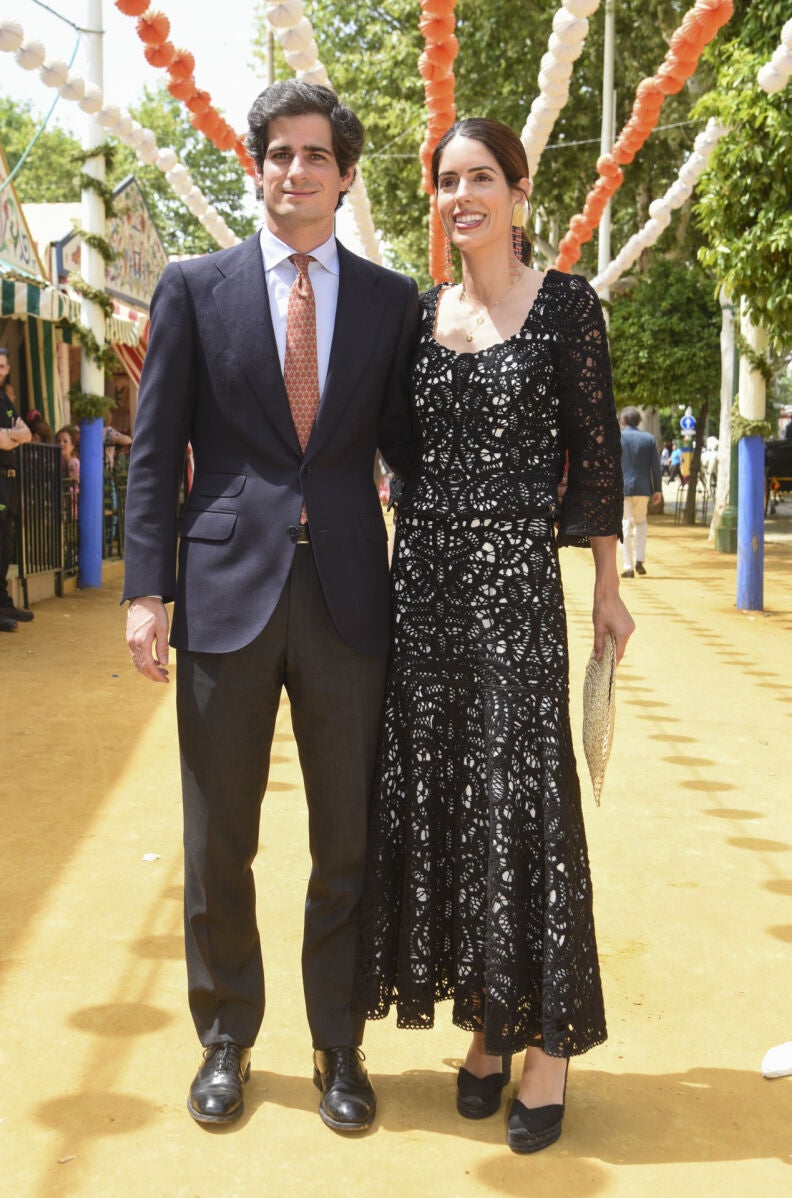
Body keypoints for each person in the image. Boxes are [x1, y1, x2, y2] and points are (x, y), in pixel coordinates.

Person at [123, 80, 418, 1133]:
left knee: (347, 837)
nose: (293, 170)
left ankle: (337, 1042)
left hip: (348, 598)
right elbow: (155, 451)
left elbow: (407, 449)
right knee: (219, 839)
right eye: (277, 153)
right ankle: (224, 1037)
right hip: (219, 594)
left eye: (313, 156)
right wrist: (146, 590)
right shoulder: (194, 289)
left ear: (343, 176)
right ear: (257, 166)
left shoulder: (391, 303)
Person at [353, 118, 634, 1155]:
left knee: (521, 798)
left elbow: (595, 461)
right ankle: (485, 1025)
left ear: (518, 192)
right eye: (444, 180)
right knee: (451, 797)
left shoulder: (565, 308)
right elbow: (384, 439)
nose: (459, 194)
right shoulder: (419, 316)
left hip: (516, 588)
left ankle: (546, 1043)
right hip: (422, 587)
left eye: (479, 177)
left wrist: (606, 586)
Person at [0, 346, 34, 631]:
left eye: (2, 366)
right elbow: (0, 442)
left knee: (6, 544)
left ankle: (1, 599)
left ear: (8, 369)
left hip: (9, 481)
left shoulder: (5, 399)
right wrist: (12, 435)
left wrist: (14, 435)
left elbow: (27, 433)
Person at [618, 406, 662, 578]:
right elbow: (656, 468)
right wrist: (657, 489)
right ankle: (640, 560)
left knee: (624, 525)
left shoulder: (618, 437)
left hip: (622, 489)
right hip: (643, 488)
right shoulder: (649, 438)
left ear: (623, 421)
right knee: (641, 523)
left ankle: (627, 566)